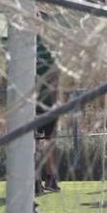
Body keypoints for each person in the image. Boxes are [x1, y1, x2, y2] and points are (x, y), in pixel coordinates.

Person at [34, 37, 60, 194]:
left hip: (38, 105)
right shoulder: (48, 53)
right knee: (48, 142)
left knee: (37, 144)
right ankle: (49, 179)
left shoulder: (25, 52)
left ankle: (40, 180)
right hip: (46, 104)